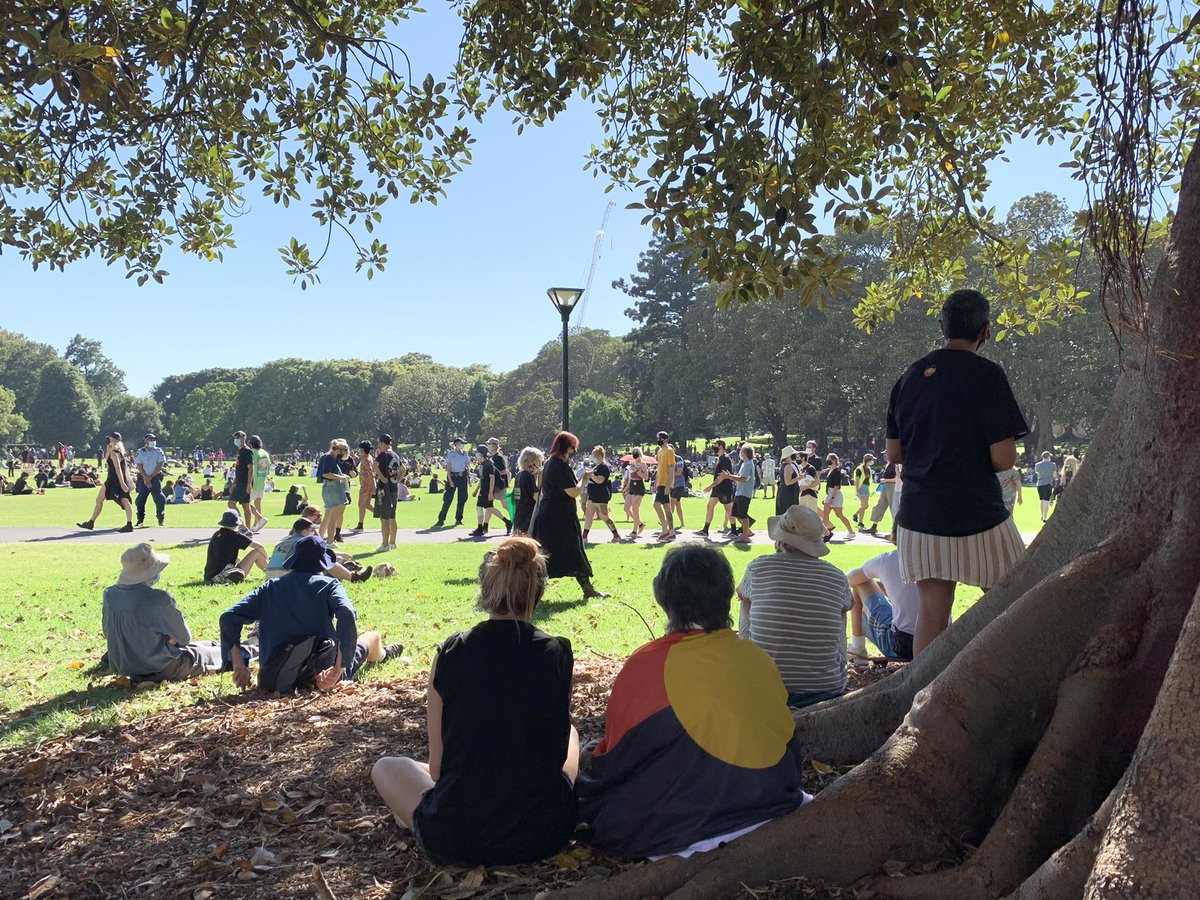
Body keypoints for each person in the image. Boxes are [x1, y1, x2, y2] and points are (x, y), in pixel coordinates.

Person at [576, 543, 808, 858]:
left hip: (681, 830)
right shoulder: (758, 658)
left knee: (590, 767)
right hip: (771, 800)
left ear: (665, 600)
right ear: (725, 595)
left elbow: (618, 759)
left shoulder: (645, 664)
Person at [372, 537, 579, 865]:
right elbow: (554, 753)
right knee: (572, 734)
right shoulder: (557, 653)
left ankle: (417, 814)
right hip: (544, 833)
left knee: (386, 768)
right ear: (537, 594)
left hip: (457, 837)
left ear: (485, 590)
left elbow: (438, 770)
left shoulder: (452, 653)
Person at [886, 289, 1029, 655]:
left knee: (933, 613)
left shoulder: (910, 376)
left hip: (919, 515)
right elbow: (1004, 458)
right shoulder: (987, 375)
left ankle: (921, 697)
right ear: (986, 330)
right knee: (1014, 601)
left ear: (941, 327)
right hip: (976, 511)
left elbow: (894, 453)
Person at [220, 535, 402, 693]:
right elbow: (346, 614)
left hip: (273, 680)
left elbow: (229, 617)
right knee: (372, 637)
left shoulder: (270, 588)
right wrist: (338, 668)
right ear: (323, 564)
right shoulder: (329, 585)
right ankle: (383, 654)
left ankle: (382, 654)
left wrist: (238, 664)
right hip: (322, 678)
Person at [737, 505, 853, 707]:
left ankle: (749, 663)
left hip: (762, 686)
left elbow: (741, 594)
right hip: (826, 687)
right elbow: (848, 605)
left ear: (781, 540)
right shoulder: (836, 576)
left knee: (746, 602)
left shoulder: (758, 567)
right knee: (842, 611)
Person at [102, 543, 229, 681]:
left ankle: (236, 644)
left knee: (210, 645)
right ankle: (253, 648)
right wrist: (170, 641)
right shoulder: (159, 598)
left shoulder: (109, 594)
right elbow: (184, 638)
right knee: (220, 653)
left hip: (124, 665)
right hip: (159, 668)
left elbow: (108, 632)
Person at [530, 431, 607, 599]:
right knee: (572, 550)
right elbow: (573, 492)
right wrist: (584, 478)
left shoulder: (550, 463)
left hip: (549, 515)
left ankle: (586, 589)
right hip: (560, 517)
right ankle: (586, 589)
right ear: (567, 448)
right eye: (573, 448)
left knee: (547, 555)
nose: (573, 452)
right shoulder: (559, 465)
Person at [846, 543, 922, 664]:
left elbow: (848, 580)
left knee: (861, 583)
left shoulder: (887, 559)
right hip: (939, 641)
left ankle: (858, 650)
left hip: (903, 646)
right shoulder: (938, 559)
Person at [265, 517, 373, 582]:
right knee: (327, 561)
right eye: (311, 530)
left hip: (270, 577)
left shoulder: (281, 542)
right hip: (287, 577)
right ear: (305, 531)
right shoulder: (303, 543)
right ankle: (354, 578)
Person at [77, 432, 134, 533]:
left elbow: (118, 468)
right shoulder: (118, 452)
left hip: (113, 480)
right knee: (123, 501)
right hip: (115, 479)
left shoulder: (114, 453)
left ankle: (91, 522)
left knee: (104, 500)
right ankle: (91, 522)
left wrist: (122, 483)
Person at [204, 510, 268, 585]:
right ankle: (273, 573)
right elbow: (259, 546)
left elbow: (226, 555)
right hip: (225, 576)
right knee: (256, 553)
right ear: (236, 524)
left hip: (209, 577)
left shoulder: (217, 534)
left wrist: (242, 563)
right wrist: (267, 559)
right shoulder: (236, 536)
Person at [469, 445, 512, 538]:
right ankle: (506, 522)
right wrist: (476, 490)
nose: (476, 454)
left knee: (481, 507)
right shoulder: (482, 464)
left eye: (477, 453)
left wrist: (490, 493)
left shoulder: (488, 464)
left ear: (481, 454)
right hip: (485, 488)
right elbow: (482, 478)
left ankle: (481, 528)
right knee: (488, 507)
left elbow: (491, 478)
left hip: (488, 489)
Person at [581, 446, 622, 543]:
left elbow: (600, 480)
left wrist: (591, 475)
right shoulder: (596, 467)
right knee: (588, 515)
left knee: (604, 517)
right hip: (592, 496)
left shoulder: (604, 467)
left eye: (594, 455)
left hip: (601, 497)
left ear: (600, 455)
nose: (592, 457)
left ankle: (616, 535)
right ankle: (584, 537)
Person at [316, 438, 352, 543]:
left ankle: (320, 539)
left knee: (328, 516)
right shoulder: (330, 458)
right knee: (333, 518)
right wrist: (341, 477)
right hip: (333, 488)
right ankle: (330, 541)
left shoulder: (327, 457)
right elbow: (326, 474)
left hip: (328, 488)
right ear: (339, 450)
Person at [697, 440, 736, 537]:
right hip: (717, 488)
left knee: (728, 509)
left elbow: (722, 476)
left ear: (721, 447)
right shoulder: (720, 458)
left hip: (724, 488)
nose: (714, 448)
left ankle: (734, 531)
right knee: (709, 506)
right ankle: (705, 530)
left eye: (716, 446)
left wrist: (710, 486)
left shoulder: (726, 459)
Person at [721, 444, 758, 543]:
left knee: (743, 515)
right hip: (739, 492)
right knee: (736, 514)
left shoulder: (749, 464)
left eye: (742, 452)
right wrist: (731, 476)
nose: (740, 454)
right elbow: (739, 476)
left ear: (746, 453)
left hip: (744, 493)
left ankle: (745, 537)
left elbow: (743, 479)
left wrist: (729, 476)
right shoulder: (744, 463)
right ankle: (748, 532)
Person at [433, 438, 471, 528]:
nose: (462, 446)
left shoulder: (465, 454)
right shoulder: (451, 454)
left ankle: (459, 519)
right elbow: (448, 468)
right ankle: (441, 519)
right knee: (448, 499)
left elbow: (467, 466)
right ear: (456, 444)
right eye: (460, 444)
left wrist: (468, 478)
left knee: (462, 499)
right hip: (453, 476)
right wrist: (450, 480)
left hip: (462, 477)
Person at [373, 434, 402, 551]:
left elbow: (374, 465)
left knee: (384, 517)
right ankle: (393, 543)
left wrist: (380, 476)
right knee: (392, 516)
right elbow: (403, 469)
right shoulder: (395, 455)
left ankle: (385, 545)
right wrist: (397, 481)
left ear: (381, 443)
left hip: (384, 489)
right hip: (394, 488)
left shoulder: (383, 455)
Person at [133, 433, 167, 527]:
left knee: (159, 498)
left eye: (154, 440)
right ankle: (140, 520)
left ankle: (161, 519)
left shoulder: (158, 451)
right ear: (146, 441)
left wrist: (150, 477)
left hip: (155, 477)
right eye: (150, 440)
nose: (153, 441)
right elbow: (139, 465)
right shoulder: (140, 451)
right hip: (143, 478)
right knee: (140, 499)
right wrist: (145, 478)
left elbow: (160, 465)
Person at [820, 452, 856, 540]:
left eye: (829, 459)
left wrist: (832, 497)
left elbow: (836, 486)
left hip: (834, 494)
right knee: (826, 514)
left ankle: (851, 532)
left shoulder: (836, 471)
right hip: (830, 493)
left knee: (839, 515)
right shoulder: (830, 471)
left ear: (833, 460)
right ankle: (823, 532)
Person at [862, 459, 900, 536]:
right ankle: (874, 526)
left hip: (892, 487)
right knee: (880, 505)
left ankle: (895, 531)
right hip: (885, 486)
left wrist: (886, 480)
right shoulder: (888, 464)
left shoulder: (895, 464)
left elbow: (897, 478)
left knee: (894, 508)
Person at [652, 431, 677, 540]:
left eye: (660, 438)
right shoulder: (660, 451)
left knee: (656, 504)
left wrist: (668, 485)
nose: (659, 440)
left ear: (666, 439)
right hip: (660, 482)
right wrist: (655, 483)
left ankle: (665, 529)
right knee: (667, 507)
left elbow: (671, 469)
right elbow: (659, 468)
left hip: (665, 483)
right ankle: (671, 532)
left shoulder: (669, 451)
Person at [512, 446, 543, 536]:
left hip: (519, 516)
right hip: (528, 517)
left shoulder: (519, 475)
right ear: (530, 461)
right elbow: (538, 497)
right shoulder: (528, 477)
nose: (540, 463)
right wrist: (541, 476)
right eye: (538, 460)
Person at [228, 430, 254, 529]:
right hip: (239, 481)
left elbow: (250, 467)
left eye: (237, 438)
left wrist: (249, 484)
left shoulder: (247, 451)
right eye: (235, 438)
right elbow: (239, 469)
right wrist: (234, 483)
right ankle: (247, 528)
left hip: (244, 482)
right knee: (245, 505)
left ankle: (242, 525)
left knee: (231, 503)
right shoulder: (240, 452)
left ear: (243, 438)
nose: (236, 440)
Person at [622, 447, 649, 539]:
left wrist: (637, 470)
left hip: (639, 486)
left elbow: (646, 477)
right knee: (626, 508)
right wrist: (626, 488)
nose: (635, 454)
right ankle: (640, 524)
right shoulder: (632, 463)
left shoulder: (643, 464)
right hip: (632, 485)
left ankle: (634, 530)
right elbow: (631, 477)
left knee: (635, 509)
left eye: (636, 453)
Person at [247, 435, 271, 532]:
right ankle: (256, 524)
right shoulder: (265, 453)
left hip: (253, 480)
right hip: (262, 480)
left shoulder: (252, 453)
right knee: (258, 502)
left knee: (246, 503)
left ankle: (259, 518)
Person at [774, 445, 802, 517]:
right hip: (788, 494)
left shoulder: (784, 465)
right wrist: (799, 478)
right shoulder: (788, 466)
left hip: (785, 492)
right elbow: (788, 482)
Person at [850, 453, 875, 528]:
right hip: (861, 487)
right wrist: (857, 491)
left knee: (863, 506)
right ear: (868, 460)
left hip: (866, 488)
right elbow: (857, 480)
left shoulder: (868, 468)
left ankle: (860, 522)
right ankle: (855, 514)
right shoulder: (859, 469)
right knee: (865, 505)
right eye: (872, 460)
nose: (873, 461)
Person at [1034, 451, 1057, 522]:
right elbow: (1054, 475)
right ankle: (1044, 517)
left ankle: (1042, 515)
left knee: (1041, 500)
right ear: (1049, 457)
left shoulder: (1037, 464)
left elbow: (1037, 472)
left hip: (1040, 484)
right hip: (1048, 484)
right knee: (1046, 500)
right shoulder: (1053, 464)